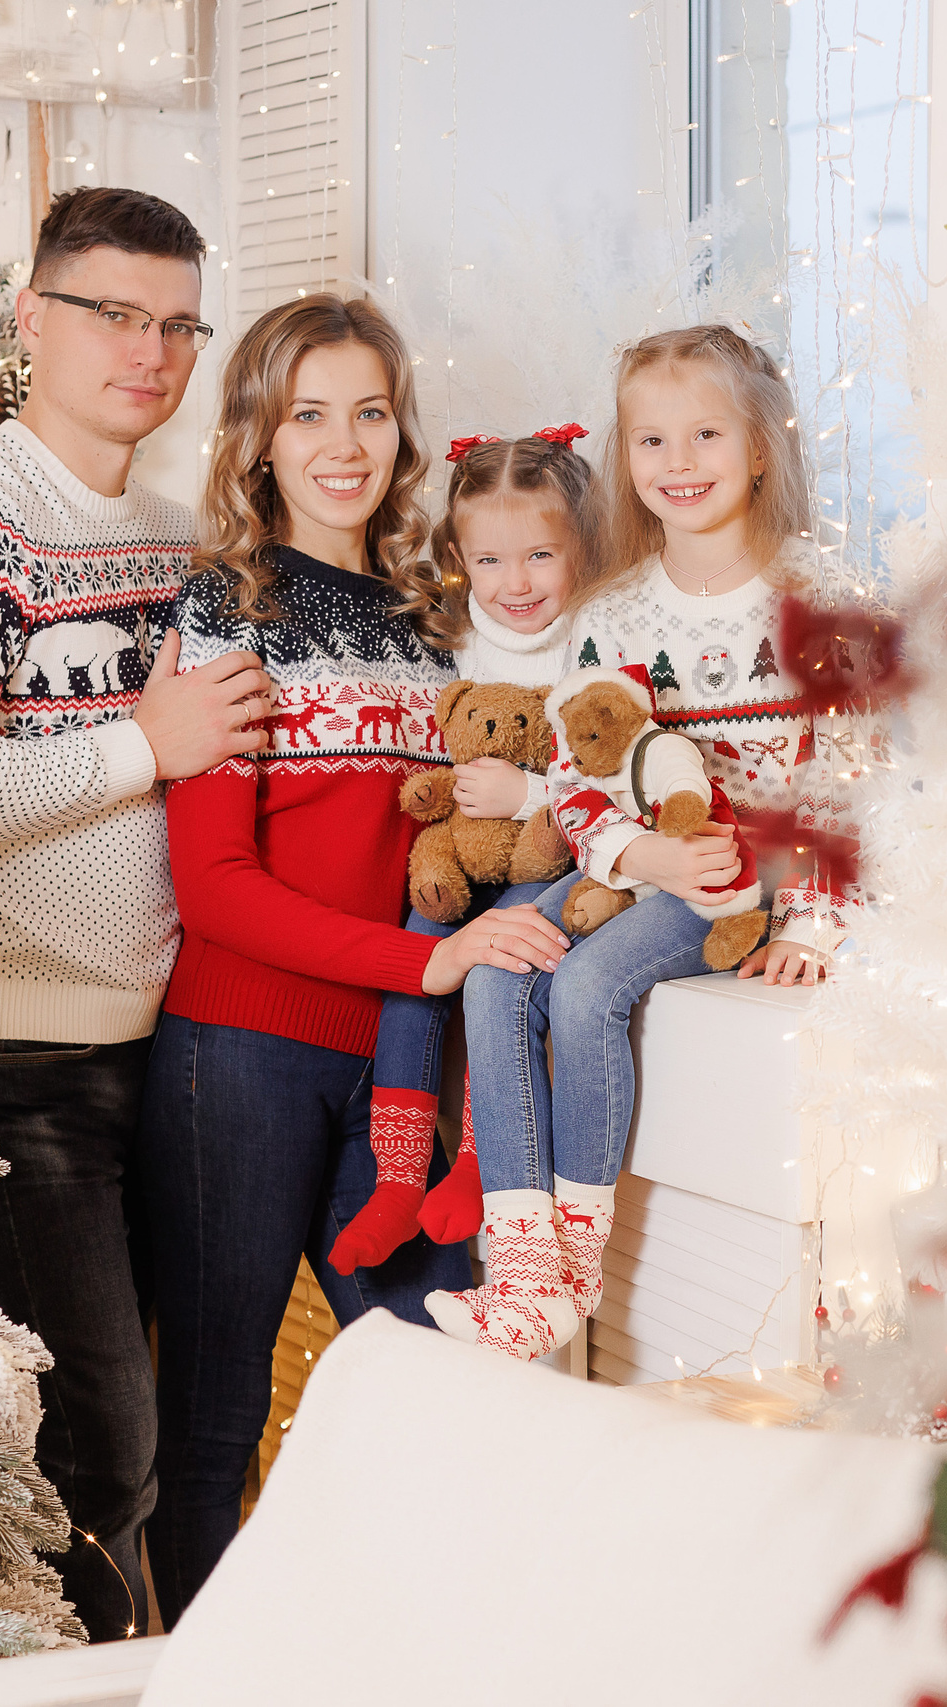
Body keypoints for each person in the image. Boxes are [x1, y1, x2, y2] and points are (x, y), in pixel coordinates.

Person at [0, 187, 271, 1642]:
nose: (149, 350)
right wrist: (142, 746)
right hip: (12, 1054)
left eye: (176, 323)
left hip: (172, 1040)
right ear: (34, 319)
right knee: (100, 1440)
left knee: (159, 1420)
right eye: (113, 313)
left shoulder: (172, 541)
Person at [141, 294, 572, 1621]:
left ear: (402, 429)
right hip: (241, 1056)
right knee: (211, 1434)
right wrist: (422, 967)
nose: (345, 442)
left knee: (455, 1386)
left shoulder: (441, 616)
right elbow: (213, 890)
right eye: (309, 412)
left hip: (389, 1069)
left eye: (370, 412)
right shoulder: (227, 608)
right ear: (258, 436)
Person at [425, 325, 868, 1359]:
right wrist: (639, 856)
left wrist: (812, 922)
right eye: (651, 441)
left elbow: (855, 782)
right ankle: (524, 1268)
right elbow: (577, 788)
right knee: (494, 968)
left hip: (729, 879)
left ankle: (574, 1262)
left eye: (705, 435)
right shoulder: (610, 614)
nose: (678, 464)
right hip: (628, 864)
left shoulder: (817, 599)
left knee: (583, 992)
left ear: (760, 447)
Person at [327, 424, 602, 1272]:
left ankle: (485, 1160)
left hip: (548, 859)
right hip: (462, 852)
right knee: (418, 954)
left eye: (540, 558)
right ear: (459, 557)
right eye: (489, 562)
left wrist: (534, 795)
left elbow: (624, 767)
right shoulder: (452, 637)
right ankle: (400, 1174)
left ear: (580, 550)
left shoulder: (594, 640)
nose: (514, 584)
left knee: (502, 964)